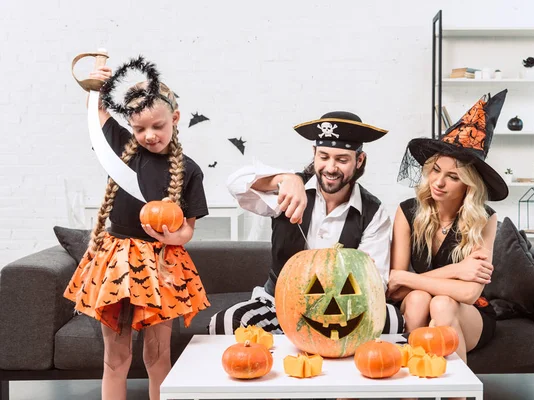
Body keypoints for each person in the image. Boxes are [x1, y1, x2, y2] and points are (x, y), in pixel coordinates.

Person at [63, 57, 210, 400]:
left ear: (174, 118)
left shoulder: (190, 171)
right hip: (115, 261)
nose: (149, 135)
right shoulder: (117, 148)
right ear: (129, 124)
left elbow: (188, 230)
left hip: (162, 264)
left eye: (158, 126)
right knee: (116, 358)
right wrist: (97, 83)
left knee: (157, 356)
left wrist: (173, 237)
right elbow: (94, 110)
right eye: (140, 128)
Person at [209, 111, 404, 335]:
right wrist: (283, 179)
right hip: (278, 304)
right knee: (226, 322)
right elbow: (235, 184)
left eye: (342, 160)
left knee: (392, 320)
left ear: (359, 161)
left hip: (340, 311)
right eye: (323, 157)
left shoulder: (373, 212)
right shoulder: (289, 189)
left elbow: (376, 281)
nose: (331, 168)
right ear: (314, 154)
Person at [388, 89, 508, 369]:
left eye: (452, 176)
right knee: (418, 300)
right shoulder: (407, 212)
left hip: (469, 314)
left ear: (469, 184)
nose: (438, 182)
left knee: (441, 303)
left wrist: (406, 278)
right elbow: (394, 289)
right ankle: (412, 392)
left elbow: (469, 294)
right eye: (435, 170)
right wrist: (457, 270)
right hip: (417, 303)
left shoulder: (485, 218)